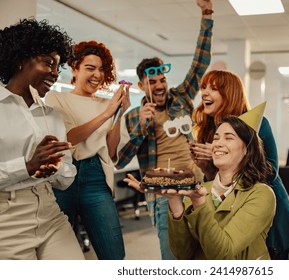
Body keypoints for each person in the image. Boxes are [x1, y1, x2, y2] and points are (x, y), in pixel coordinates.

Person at [116, 0, 214, 260]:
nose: (159, 85)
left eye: (162, 79)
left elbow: (200, 62)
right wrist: (141, 128)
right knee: (172, 256)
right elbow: (120, 160)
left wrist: (207, 15)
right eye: (152, 82)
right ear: (141, 85)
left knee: (202, 251)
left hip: (195, 183)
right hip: (163, 191)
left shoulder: (180, 97)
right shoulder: (133, 116)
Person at [125, 116, 276, 259]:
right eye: (216, 138)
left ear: (247, 149)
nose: (217, 143)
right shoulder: (200, 189)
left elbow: (223, 255)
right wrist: (175, 202)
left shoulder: (261, 194)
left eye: (229, 138)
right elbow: (183, 254)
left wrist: (199, 203)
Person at [190, 70, 289, 259]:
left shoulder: (257, 124)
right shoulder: (207, 129)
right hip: (227, 217)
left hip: (266, 218)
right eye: (203, 87)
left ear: (229, 93)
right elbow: (216, 182)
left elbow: (270, 171)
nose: (204, 93)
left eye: (213, 88)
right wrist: (207, 167)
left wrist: (232, 160)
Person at [0, 18, 84, 259]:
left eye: (59, 67)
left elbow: (65, 180)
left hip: (50, 212)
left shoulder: (52, 116)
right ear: (19, 60)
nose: (55, 73)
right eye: (48, 63)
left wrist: (54, 168)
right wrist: (27, 167)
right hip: (6, 222)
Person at [45, 40, 131, 260]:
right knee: (62, 257)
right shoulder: (57, 98)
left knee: (114, 255)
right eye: (90, 68)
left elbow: (111, 151)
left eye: (101, 69)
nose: (97, 75)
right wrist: (107, 112)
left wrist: (120, 113)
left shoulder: (107, 104)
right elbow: (68, 139)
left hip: (96, 178)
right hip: (63, 179)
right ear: (74, 68)